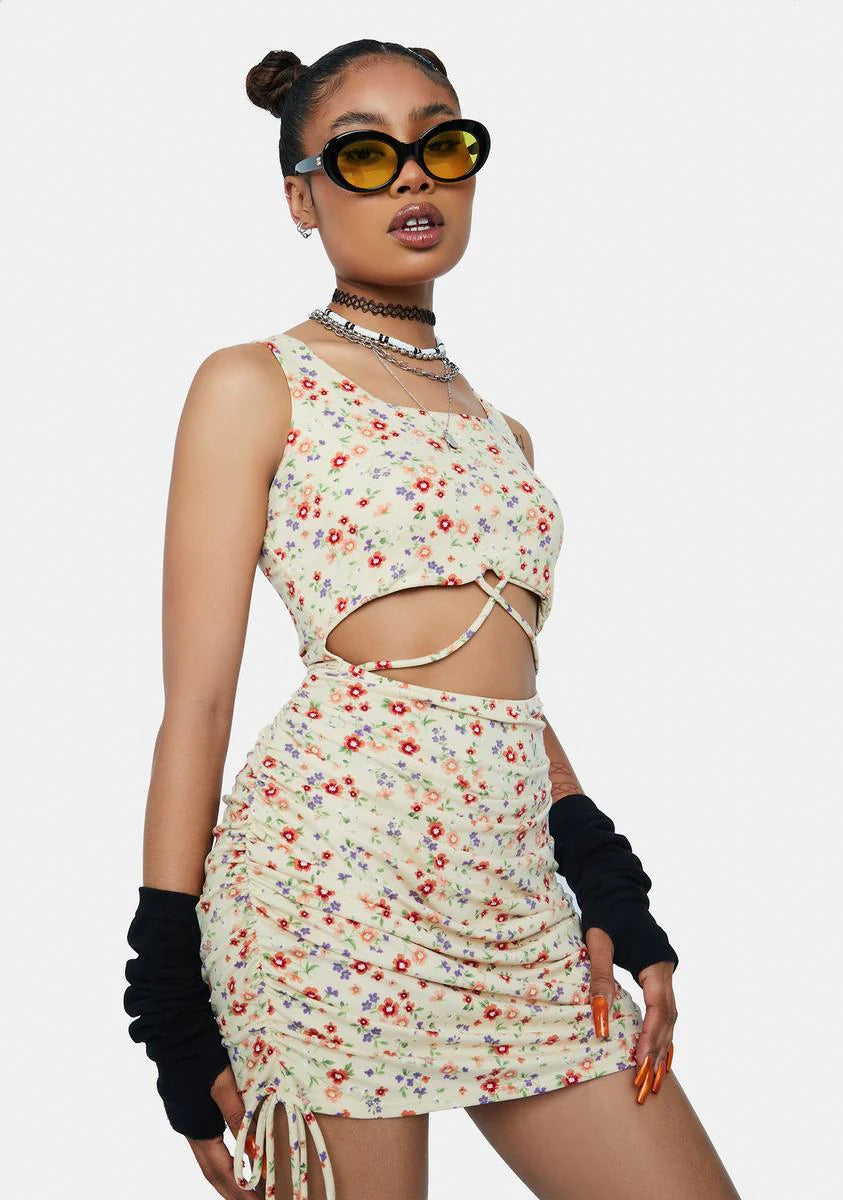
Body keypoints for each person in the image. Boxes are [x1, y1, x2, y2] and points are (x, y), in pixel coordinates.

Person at [124, 38, 741, 1200]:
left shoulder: (505, 435)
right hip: (329, 891)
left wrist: (607, 880)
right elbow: (196, 704)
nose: (413, 175)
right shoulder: (254, 383)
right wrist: (164, 986)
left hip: (516, 905)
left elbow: (502, 684)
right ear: (300, 199)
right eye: (364, 155)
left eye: (440, 144)